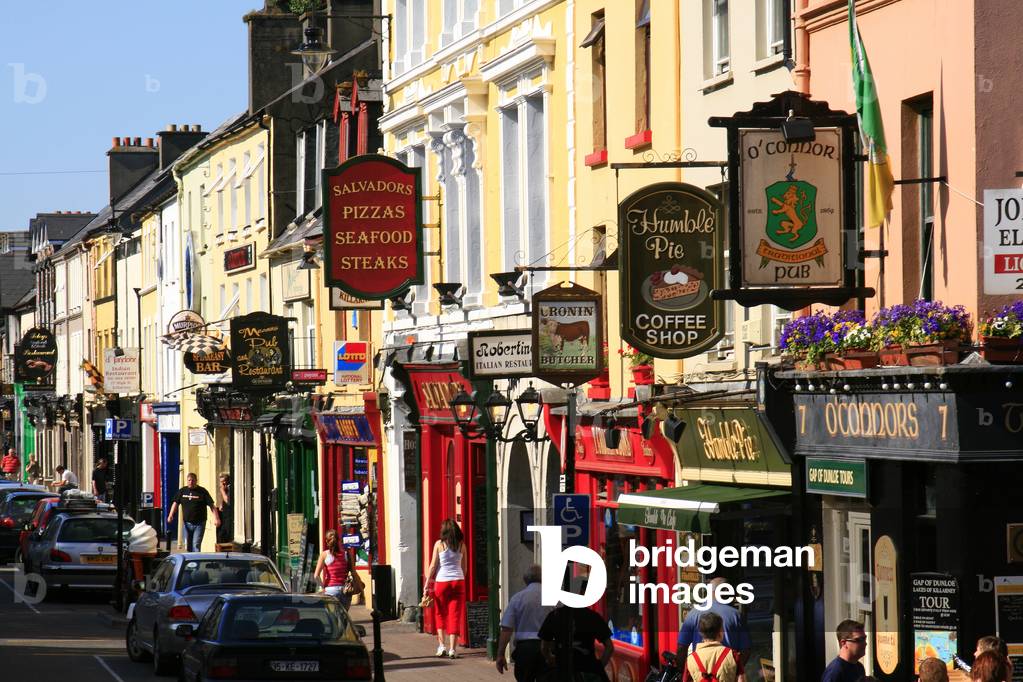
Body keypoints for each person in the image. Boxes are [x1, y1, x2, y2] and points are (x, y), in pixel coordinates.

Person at [677, 578, 752, 668]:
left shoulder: (693, 614)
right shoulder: (736, 616)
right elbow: (746, 650)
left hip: (700, 671)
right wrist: (735, 671)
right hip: (726, 671)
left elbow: (682, 647)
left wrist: (681, 670)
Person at [496, 565, 555, 681]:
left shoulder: (517, 598)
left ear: (525, 580)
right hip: (548, 647)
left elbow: (507, 629)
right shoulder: (554, 598)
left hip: (525, 649)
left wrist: (500, 654)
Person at [538, 604, 614, 682]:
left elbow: (544, 647)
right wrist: (598, 667)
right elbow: (609, 647)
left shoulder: (554, 615)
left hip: (561, 670)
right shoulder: (593, 616)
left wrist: (550, 658)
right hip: (587, 670)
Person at [426, 518, 468, 659]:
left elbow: (433, 566)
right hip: (458, 581)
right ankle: (453, 650)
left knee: (440, 614)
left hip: (442, 582)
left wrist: (427, 583)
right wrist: (460, 577)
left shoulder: (439, 544)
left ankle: (441, 646)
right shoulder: (462, 545)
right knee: (454, 615)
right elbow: (465, 568)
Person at [682, 612, 744, 682]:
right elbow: (741, 679)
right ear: (720, 632)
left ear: (702, 634)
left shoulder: (691, 659)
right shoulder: (732, 655)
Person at [167, 473, 220, 552]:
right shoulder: (182, 491)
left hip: (199, 524)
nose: (191, 482)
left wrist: (216, 518)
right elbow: (175, 503)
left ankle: (196, 562)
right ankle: (190, 562)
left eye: (193, 480)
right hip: (187, 524)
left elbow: (212, 506)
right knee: (188, 545)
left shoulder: (202, 491)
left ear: (196, 481)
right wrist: (170, 515)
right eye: (189, 480)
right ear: (187, 481)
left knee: (196, 544)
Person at [314, 529, 363, 609]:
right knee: (343, 617)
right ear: (339, 541)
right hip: (345, 590)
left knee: (332, 618)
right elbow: (354, 573)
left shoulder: (324, 555)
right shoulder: (347, 554)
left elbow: (316, 575)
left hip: (330, 590)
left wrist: (322, 588)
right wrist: (361, 590)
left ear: (327, 541)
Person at [215, 472, 233, 546]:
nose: (223, 483)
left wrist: (222, 491)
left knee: (227, 535)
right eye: (221, 482)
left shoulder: (230, 488)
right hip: (224, 514)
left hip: (229, 515)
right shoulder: (225, 489)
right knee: (221, 535)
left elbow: (228, 501)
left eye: (224, 481)